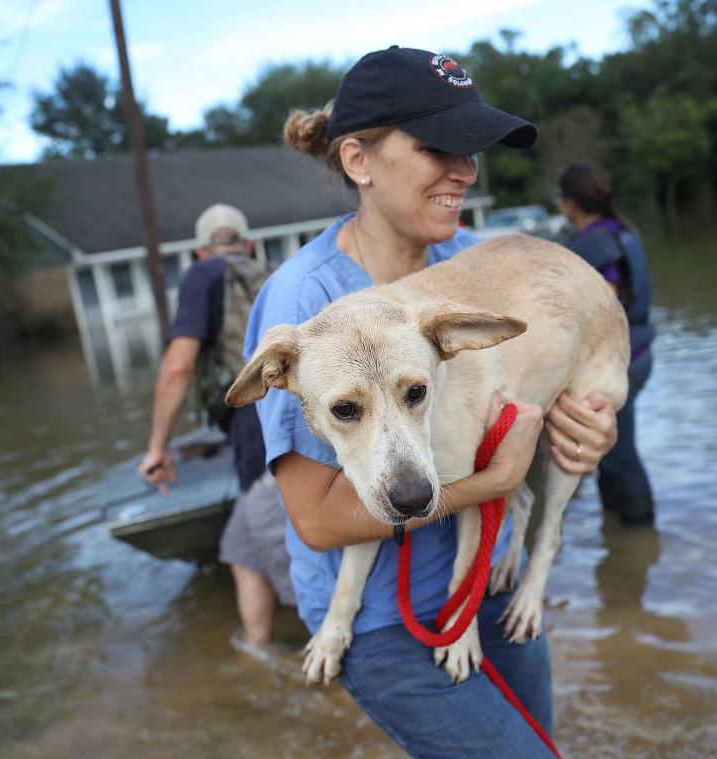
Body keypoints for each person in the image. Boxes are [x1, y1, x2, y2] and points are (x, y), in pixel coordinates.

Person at [243, 47, 619, 757]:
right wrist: (494, 482)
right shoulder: (304, 303)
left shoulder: (475, 261)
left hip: (489, 581)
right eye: (435, 148)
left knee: (542, 743)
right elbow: (318, 521)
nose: (464, 171)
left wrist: (585, 432)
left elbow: (546, 370)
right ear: (358, 160)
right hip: (382, 624)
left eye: (470, 151)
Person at [138, 203, 295, 649]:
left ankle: (345, 664)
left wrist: (157, 448)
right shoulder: (275, 272)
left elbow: (177, 368)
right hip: (294, 421)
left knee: (297, 563)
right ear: (246, 244)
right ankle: (257, 651)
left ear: (200, 251)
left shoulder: (202, 275)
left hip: (261, 434)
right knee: (240, 549)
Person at [556, 162, 656, 526]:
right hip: (641, 351)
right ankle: (620, 542)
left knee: (618, 449)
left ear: (570, 203)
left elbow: (606, 300)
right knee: (609, 446)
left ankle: (638, 525)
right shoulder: (624, 230)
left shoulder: (594, 243)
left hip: (620, 361)